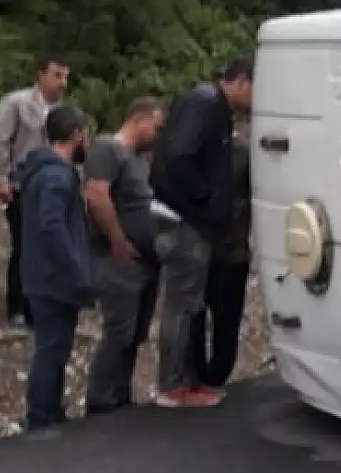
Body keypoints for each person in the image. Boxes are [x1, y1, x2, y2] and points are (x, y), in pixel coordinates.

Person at [148, 58, 254, 408]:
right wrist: (204, 199)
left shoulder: (211, 108)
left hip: (191, 222)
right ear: (240, 82)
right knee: (181, 305)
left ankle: (188, 381)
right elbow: (179, 156)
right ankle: (173, 384)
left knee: (190, 304)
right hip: (186, 223)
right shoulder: (206, 105)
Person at [82, 95, 167, 416]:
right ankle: (101, 400)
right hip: (119, 259)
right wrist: (117, 238)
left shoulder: (139, 160)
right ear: (140, 119)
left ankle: (119, 394)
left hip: (145, 261)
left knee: (134, 333)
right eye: (156, 128)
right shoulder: (108, 148)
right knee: (119, 330)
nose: (157, 136)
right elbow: (97, 194)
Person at [14, 104, 94, 430]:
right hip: (53, 280)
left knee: (55, 348)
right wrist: (75, 267)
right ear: (75, 135)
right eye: (84, 134)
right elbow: (51, 225)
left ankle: (49, 410)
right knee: (50, 349)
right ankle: (41, 416)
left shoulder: (40, 172)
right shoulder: (56, 176)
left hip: (40, 275)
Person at [0, 55, 69, 329]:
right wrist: (1, 176)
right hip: (22, 184)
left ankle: (38, 306)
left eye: (65, 77)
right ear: (41, 75)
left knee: (46, 247)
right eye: (57, 75)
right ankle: (17, 307)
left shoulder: (65, 112)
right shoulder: (16, 103)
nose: (62, 83)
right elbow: (0, 140)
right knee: (23, 245)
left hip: (53, 187)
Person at [188, 109, 253, 392]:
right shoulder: (242, 154)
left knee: (197, 317)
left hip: (205, 247)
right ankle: (212, 377)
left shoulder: (194, 153)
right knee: (223, 320)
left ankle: (201, 377)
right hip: (226, 249)